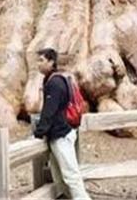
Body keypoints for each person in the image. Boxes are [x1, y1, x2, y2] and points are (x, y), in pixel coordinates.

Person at [33, 48, 91, 200]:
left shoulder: (54, 83)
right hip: (62, 132)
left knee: (70, 175)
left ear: (51, 62)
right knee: (60, 177)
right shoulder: (55, 79)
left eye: (41, 60)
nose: (38, 64)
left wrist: (39, 132)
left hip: (61, 134)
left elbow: (49, 111)